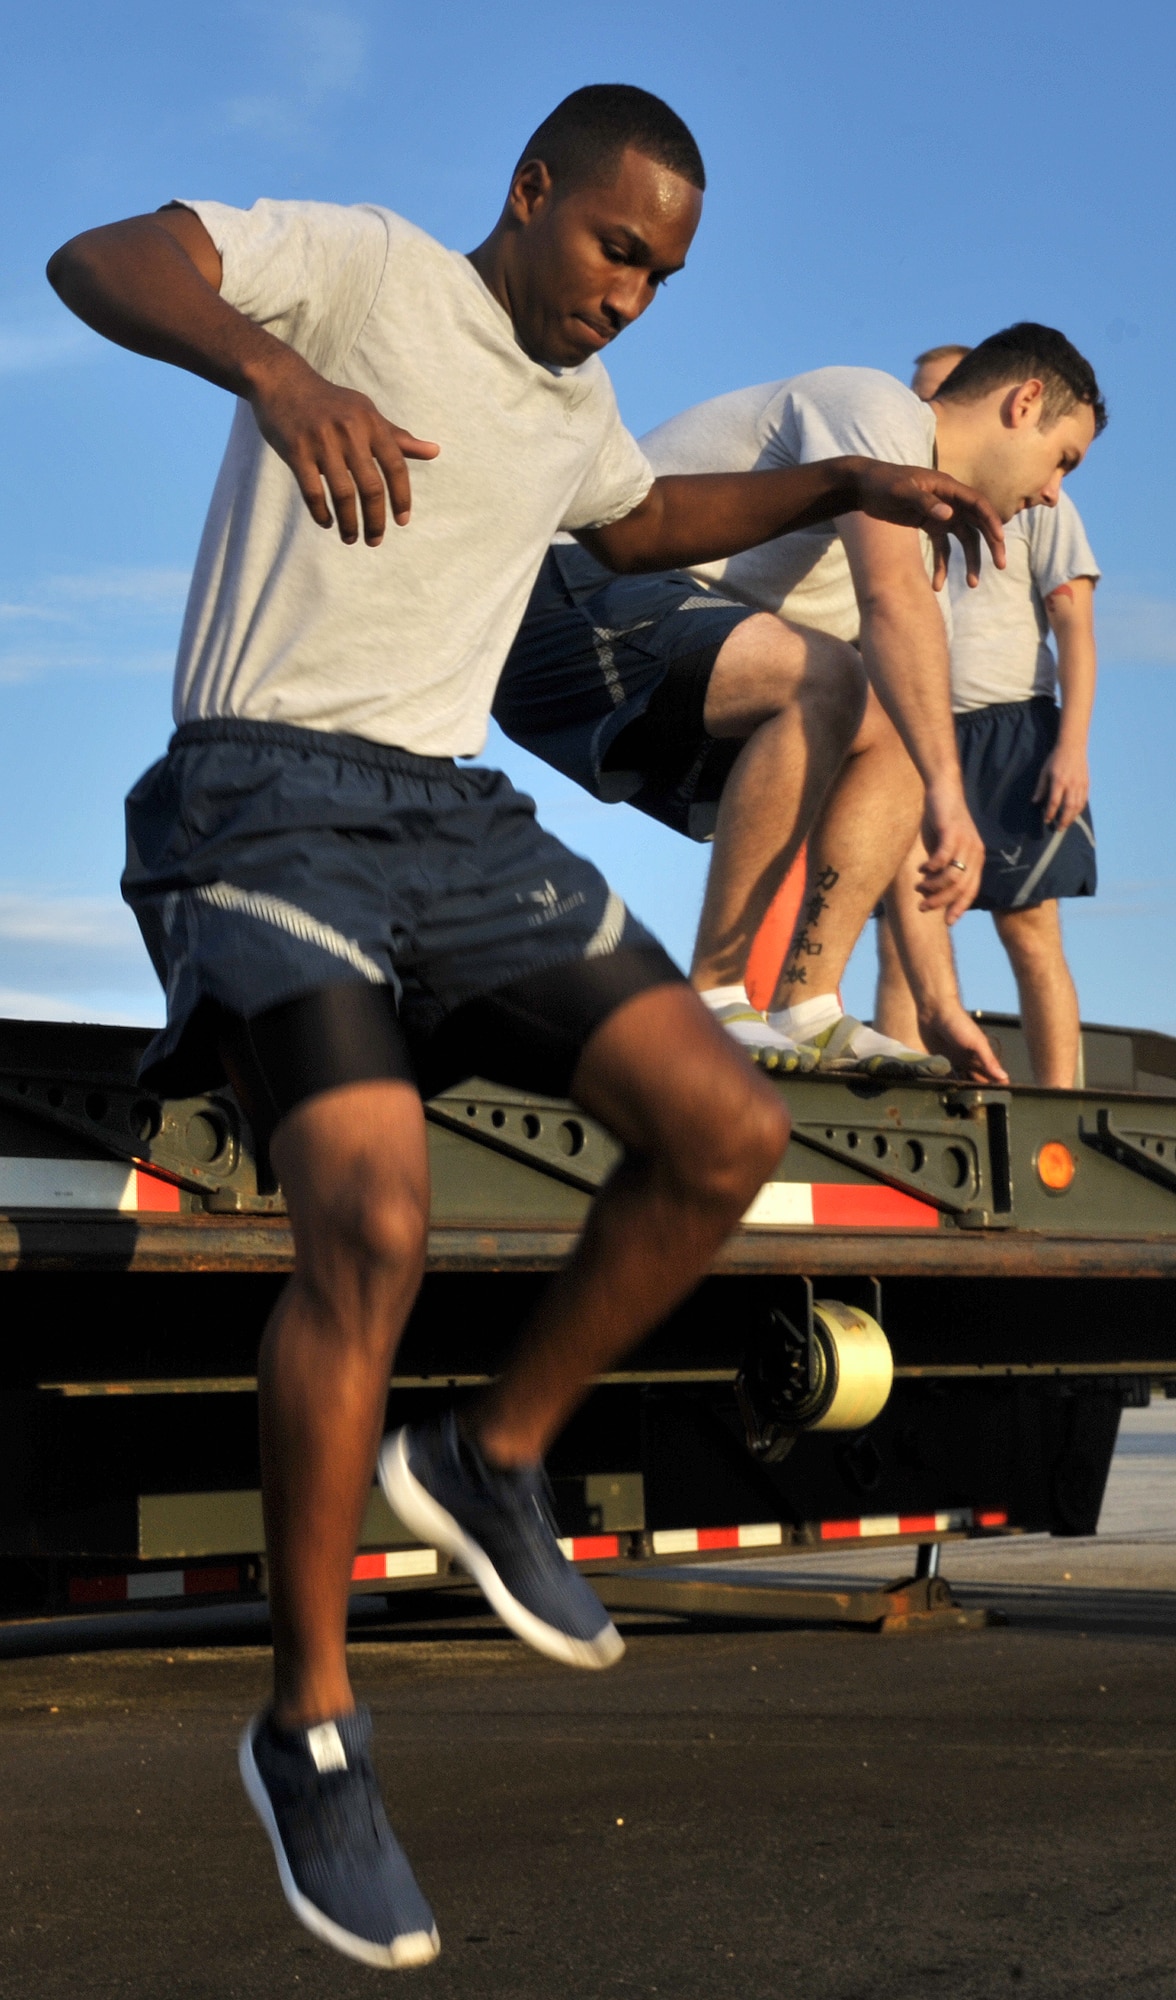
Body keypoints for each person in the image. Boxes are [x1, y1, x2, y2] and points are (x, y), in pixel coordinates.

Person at [46, 86, 1003, 1972]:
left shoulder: (572, 406)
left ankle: (490, 1458)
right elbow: (99, 257)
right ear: (531, 191)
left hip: (446, 814)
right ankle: (309, 1730)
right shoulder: (367, 274)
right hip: (265, 800)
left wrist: (832, 487)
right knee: (376, 1225)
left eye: (662, 276)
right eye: (613, 249)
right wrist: (274, 374)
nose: (629, 296)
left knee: (722, 1134)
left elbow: (637, 518)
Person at [493, 327, 1103, 1084]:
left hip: (674, 664)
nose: (1053, 493)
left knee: (900, 730)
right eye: (1063, 461)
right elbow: (889, 597)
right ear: (1026, 401)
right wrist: (952, 788)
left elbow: (899, 827)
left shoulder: (929, 566)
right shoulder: (878, 408)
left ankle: (807, 1006)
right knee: (836, 680)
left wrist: (941, 1007)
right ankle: (715, 993)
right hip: (561, 598)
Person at [874, 343, 1101, 1086]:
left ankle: (1059, 1102)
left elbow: (1075, 628)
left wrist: (1071, 745)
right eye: (916, 395)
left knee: (1029, 928)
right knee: (904, 941)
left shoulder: (1042, 498)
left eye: (936, 392)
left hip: (1012, 730)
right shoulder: (899, 493)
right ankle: (901, 1094)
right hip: (917, 727)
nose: (924, 408)